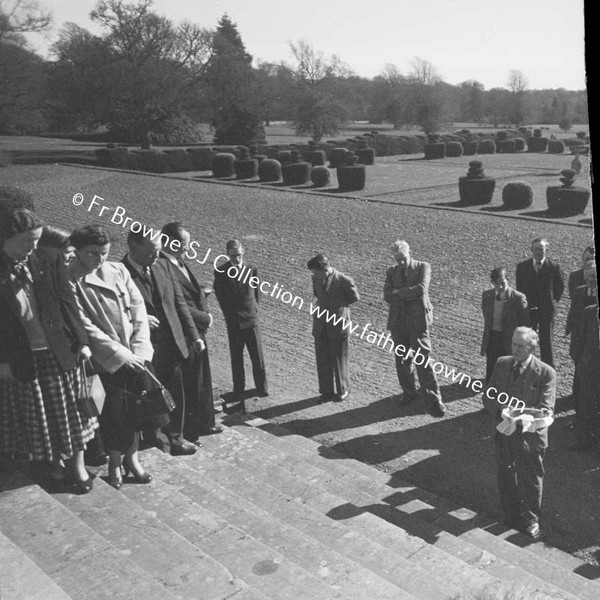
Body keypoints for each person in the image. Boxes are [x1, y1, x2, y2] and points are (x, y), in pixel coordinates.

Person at [0, 208, 97, 493]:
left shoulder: (49, 258)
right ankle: (53, 463)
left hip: (60, 350)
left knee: (73, 413)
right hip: (23, 355)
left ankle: (78, 468)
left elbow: (67, 302)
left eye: (37, 240)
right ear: (6, 239)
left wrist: (81, 341)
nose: (32, 248)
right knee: (42, 417)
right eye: (26, 241)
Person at [69, 224, 157, 490]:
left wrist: (141, 349)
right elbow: (83, 324)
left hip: (136, 357)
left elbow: (138, 309)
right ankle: (115, 465)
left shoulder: (118, 270)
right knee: (116, 415)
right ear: (78, 251)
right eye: (92, 254)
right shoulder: (70, 279)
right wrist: (120, 354)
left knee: (138, 411)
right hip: (108, 360)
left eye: (104, 253)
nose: (99, 260)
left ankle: (133, 459)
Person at [122, 231, 204, 456]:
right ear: (133, 247)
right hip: (144, 348)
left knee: (175, 394)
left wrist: (194, 336)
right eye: (151, 251)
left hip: (172, 344)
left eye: (158, 250)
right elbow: (115, 311)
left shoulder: (163, 266)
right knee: (151, 398)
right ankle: (157, 440)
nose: (156, 255)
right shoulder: (120, 273)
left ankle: (176, 439)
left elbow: (180, 304)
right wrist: (137, 318)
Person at [484, 327, 556, 540]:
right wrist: (500, 411)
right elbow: (489, 394)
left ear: (532, 347)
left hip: (530, 436)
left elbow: (545, 408)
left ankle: (532, 520)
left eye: (521, 346)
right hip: (504, 431)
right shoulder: (502, 363)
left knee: (530, 478)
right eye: (513, 344)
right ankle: (510, 514)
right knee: (505, 475)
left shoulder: (545, 373)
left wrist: (520, 417)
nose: (515, 349)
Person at [159, 223, 222, 439]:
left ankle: (205, 423)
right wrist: (205, 318)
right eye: (183, 244)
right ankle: (191, 430)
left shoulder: (178, 261)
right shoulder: (162, 264)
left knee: (202, 378)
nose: (187, 248)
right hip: (184, 333)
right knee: (190, 383)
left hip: (196, 330)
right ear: (168, 242)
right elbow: (177, 304)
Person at [384, 240, 445, 417]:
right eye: (397, 260)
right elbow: (387, 295)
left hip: (418, 322)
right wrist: (406, 294)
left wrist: (399, 292)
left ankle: (434, 400)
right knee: (402, 360)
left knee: (423, 360)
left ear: (409, 253)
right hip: (398, 322)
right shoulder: (391, 271)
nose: (400, 263)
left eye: (403, 258)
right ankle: (409, 393)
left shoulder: (423, 267)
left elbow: (421, 289)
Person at [214, 240, 268, 406]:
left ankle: (262, 387)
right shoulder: (221, 271)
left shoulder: (252, 269)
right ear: (227, 254)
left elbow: (257, 292)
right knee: (236, 358)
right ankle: (239, 390)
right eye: (233, 256)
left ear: (243, 252)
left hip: (251, 319)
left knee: (257, 356)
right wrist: (229, 315)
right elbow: (220, 296)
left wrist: (254, 311)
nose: (236, 258)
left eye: (239, 255)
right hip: (234, 321)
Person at [307, 253, 360, 403]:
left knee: (339, 359)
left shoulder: (344, 280)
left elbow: (354, 298)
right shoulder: (316, 278)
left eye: (316, 272)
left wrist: (339, 307)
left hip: (338, 325)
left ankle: (343, 389)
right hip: (321, 324)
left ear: (324, 269)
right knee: (322, 359)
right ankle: (326, 391)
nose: (314, 275)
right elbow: (317, 295)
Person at [515, 238, 564, 368]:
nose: (538, 252)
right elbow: (519, 287)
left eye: (541, 249)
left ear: (546, 250)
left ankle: (547, 370)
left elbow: (559, 288)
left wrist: (550, 303)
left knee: (547, 342)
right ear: (531, 250)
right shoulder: (522, 267)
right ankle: (524, 366)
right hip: (529, 310)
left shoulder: (553, 267)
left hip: (546, 311)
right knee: (526, 340)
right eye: (536, 249)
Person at [481, 267, 529, 385]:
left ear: (508, 280)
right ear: (492, 283)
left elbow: (525, 323)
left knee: (508, 368)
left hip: (509, 339)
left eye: (503, 283)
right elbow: (487, 317)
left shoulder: (518, 298)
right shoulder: (487, 295)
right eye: (496, 284)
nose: (500, 287)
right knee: (491, 366)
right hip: (493, 337)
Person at [565, 260, 597, 412]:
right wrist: (569, 331)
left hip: (594, 345)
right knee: (578, 377)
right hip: (579, 341)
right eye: (589, 275)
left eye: (595, 276)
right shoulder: (579, 291)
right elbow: (573, 312)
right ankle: (578, 411)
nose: (591, 279)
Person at [574, 304, 600, 452]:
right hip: (589, 366)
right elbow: (580, 338)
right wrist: (581, 361)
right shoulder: (589, 311)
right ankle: (585, 441)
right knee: (586, 404)